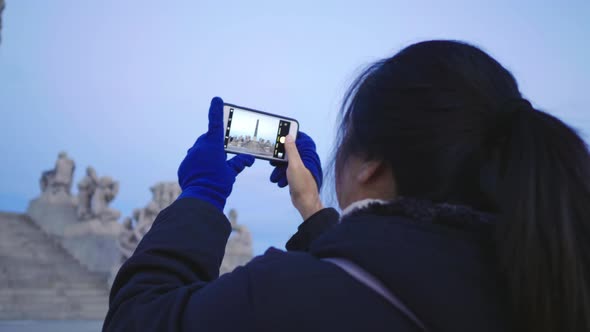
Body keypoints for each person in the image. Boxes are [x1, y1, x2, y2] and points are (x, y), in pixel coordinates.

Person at [103, 41, 590, 332]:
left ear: (372, 165)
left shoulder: (287, 298)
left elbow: (136, 320)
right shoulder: (551, 278)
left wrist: (201, 197)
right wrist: (312, 208)